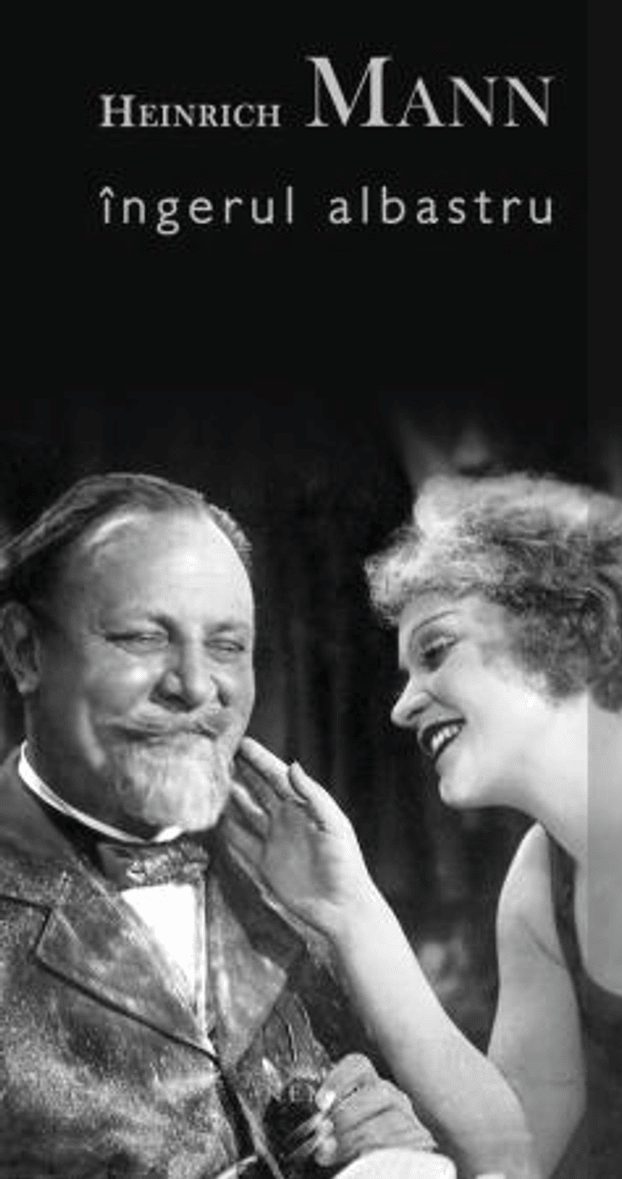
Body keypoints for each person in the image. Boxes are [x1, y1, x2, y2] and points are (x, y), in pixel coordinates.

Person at [0, 472, 442, 1179]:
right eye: (143, 637)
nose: (198, 684)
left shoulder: (303, 894)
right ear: (26, 651)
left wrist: (387, 1142)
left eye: (229, 646)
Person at [224, 473, 622, 1179]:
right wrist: (349, 905)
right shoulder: (543, 882)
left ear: (569, 631)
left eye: (436, 650)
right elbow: (512, 1152)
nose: (402, 706)